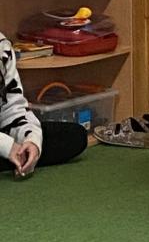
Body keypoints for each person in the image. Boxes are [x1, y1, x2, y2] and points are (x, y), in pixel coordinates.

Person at [0, 32, 87, 177]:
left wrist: (32, 141)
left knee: (74, 135)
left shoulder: (3, 46)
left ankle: (21, 156)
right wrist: (7, 147)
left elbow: (14, 108)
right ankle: (12, 156)